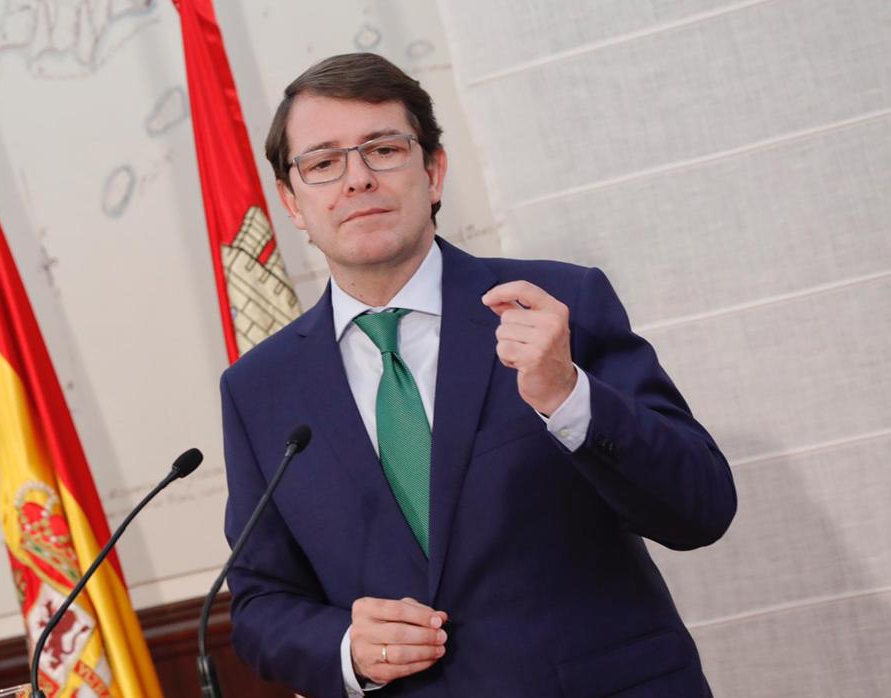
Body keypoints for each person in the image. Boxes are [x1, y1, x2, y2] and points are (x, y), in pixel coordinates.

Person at [218, 53, 736, 697]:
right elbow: (261, 602)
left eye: (383, 149)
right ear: (294, 203)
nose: (356, 179)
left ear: (434, 172)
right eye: (323, 163)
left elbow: (701, 508)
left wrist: (570, 396)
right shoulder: (257, 389)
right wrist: (347, 647)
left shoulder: (557, 302)